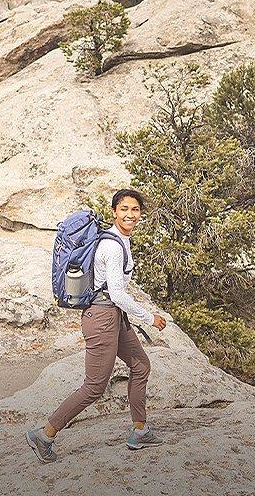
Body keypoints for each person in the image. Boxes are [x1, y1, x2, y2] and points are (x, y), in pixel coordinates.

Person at [27, 189, 167, 463]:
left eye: (135, 209)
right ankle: (44, 436)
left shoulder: (120, 240)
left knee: (140, 365)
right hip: (102, 318)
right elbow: (116, 292)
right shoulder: (113, 246)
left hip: (114, 317)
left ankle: (140, 431)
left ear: (141, 214)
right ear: (114, 212)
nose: (130, 214)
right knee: (94, 387)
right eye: (124, 209)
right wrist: (149, 318)